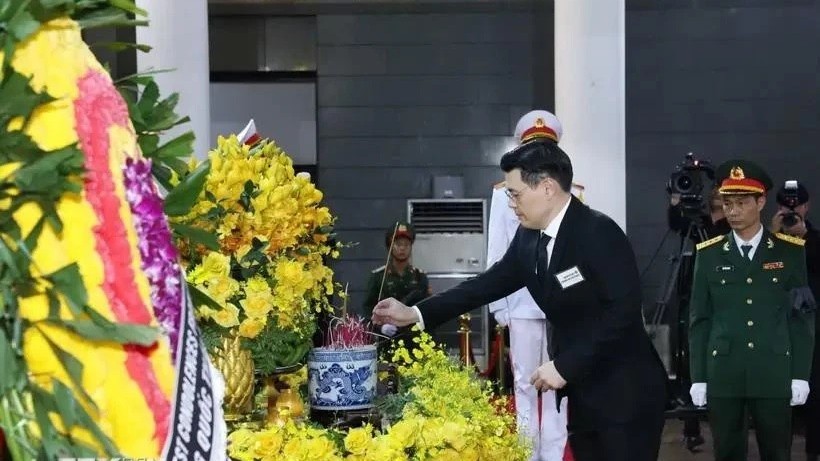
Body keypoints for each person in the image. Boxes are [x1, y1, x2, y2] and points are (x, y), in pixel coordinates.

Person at [372, 139, 668, 461]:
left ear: (546, 188)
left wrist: (565, 365)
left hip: (626, 394)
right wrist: (414, 313)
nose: (511, 203)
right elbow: (485, 285)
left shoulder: (599, 232)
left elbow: (622, 313)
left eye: (515, 194)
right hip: (583, 393)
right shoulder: (529, 238)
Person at [688, 160, 815, 461]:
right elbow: (700, 320)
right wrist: (699, 377)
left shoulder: (790, 252)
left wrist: (800, 374)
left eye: (742, 203)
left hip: (773, 370)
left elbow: (802, 316)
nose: (733, 211)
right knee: (727, 452)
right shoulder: (708, 255)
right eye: (727, 203)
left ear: (761, 202)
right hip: (724, 372)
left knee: (777, 452)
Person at [488, 110, 568, 461]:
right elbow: (497, 249)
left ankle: (553, 451)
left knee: (557, 381)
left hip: (559, 303)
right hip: (520, 301)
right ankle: (526, 452)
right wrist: (498, 307)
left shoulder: (570, 192)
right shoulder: (505, 192)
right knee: (523, 380)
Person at [667, 185, 731, 452]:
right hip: (694, 297)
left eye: (722, 196)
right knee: (690, 361)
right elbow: (676, 224)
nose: (716, 198)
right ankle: (691, 428)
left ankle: (726, 424)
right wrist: (674, 201)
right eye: (714, 195)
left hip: (723, 300)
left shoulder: (731, 228)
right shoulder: (698, 223)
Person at [769, 181, 820, 461]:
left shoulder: (816, 239)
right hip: (778, 329)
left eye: (796, 207)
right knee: (778, 396)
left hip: (812, 329)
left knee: (816, 392)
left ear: (806, 207)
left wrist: (803, 240)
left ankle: (813, 451)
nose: (792, 213)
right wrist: (773, 236)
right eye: (786, 208)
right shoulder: (768, 240)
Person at [364, 221, 430, 342]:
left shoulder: (420, 277)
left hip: (415, 340)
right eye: (398, 244)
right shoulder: (379, 276)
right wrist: (381, 327)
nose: (402, 248)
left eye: (406, 244)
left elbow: (427, 310)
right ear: (390, 247)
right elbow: (368, 310)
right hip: (387, 339)